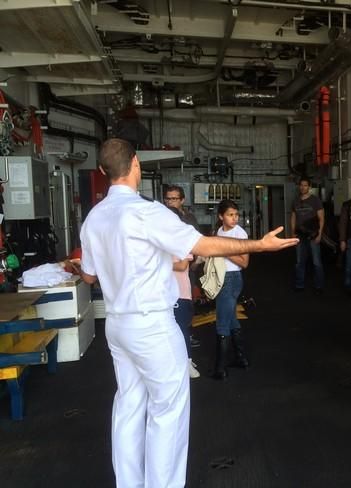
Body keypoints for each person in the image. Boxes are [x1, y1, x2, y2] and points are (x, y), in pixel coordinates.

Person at [77, 138, 297, 488]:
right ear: (136, 164)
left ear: (103, 171)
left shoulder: (94, 218)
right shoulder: (146, 212)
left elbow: (89, 274)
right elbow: (202, 245)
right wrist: (260, 245)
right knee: (167, 412)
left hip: (118, 325)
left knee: (129, 406)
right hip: (151, 325)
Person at [213, 199, 249, 380]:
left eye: (236, 215)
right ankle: (242, 359)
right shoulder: (220, 230)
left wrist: (224, 251)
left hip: (232, 278)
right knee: (232, 320)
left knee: (222, 322)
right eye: (230, 215)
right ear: (221, 216)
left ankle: (220, 369)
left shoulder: (240, 233)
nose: (235, 218)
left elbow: (244, 262)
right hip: (222, 277)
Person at [168, 207, 200, 379]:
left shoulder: (180, 241)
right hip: (168, 293)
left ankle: (187, 362)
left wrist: (156, 264)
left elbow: (181, 266)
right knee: (175, 330)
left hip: (180, 293)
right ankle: (182, 361)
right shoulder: (162, 240)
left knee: (181, 329)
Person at [290, 177, 325, 293]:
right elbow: (293, 217)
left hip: (313, 234)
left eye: (305, 185)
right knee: (300, 261)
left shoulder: (315, 200)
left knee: (316, 261)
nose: (303, 187)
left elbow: (321, 218)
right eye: (301, 185)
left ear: (309, 187)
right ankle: (299, 284)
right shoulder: (295, 201)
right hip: (300, 235)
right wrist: (293, 232)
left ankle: (319, 285)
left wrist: (319, 234)